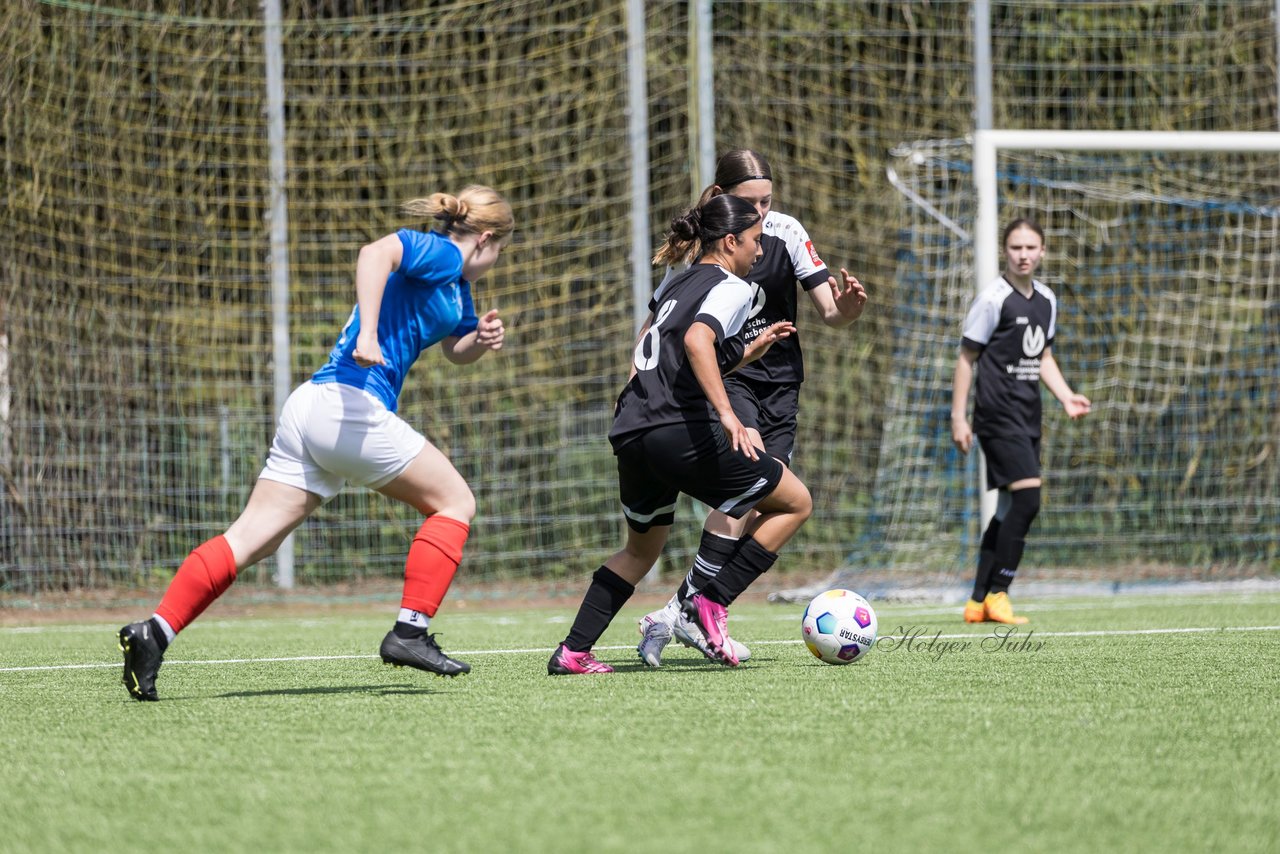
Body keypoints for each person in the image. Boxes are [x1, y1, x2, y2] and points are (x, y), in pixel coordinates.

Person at [118, 186, 515, 701]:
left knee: (251, 540)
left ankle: (154, 633)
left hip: (313, 407)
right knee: (456, 502)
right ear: (486, 238)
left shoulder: (459, 288)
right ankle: (409, 633)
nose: (499, 259)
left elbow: (453, 350)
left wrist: (477, 342)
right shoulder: (441, 251)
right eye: (503, 249)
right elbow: (375, 253)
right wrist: (367, 333)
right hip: (348, 405)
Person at [547, 193, 811, 674]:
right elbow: (696, 341)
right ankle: (710, 603)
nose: (759, 251)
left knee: (640, 549)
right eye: (755, 242)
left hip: (632, 429)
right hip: (675, 428)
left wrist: (749, 350)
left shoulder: (680, 282)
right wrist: (729, 416)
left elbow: (685, 351)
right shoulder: (730, 285)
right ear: (730, 242)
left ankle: (573, 651)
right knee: (794, 503)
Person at [635, 149, 868, 667]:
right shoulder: (709, 242)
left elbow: (829, 311)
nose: (761, 213)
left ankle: (679, 611)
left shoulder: (786, 232)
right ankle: (705, 611)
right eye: (751, 202)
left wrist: (847, 311)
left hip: (782, 386)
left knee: (769, 499)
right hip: (730, 377)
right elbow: (661, 318)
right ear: (723, 201)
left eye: (768, 201)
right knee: (746, 486)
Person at [950, 217, 1091, 625]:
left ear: (1042, 251)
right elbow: (966, 358)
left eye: (1031, 247)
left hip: (1030, 417)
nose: (1024, 255)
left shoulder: (1046, 299)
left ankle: (977, 600)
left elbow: (1041, 357)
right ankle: (1000, 591)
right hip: (996, 415)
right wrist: (959, 417)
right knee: (1029, 499)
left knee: (1008, 507)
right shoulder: (993, 299)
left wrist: (1066, 397)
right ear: (1005, 251)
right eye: (1016, 247)